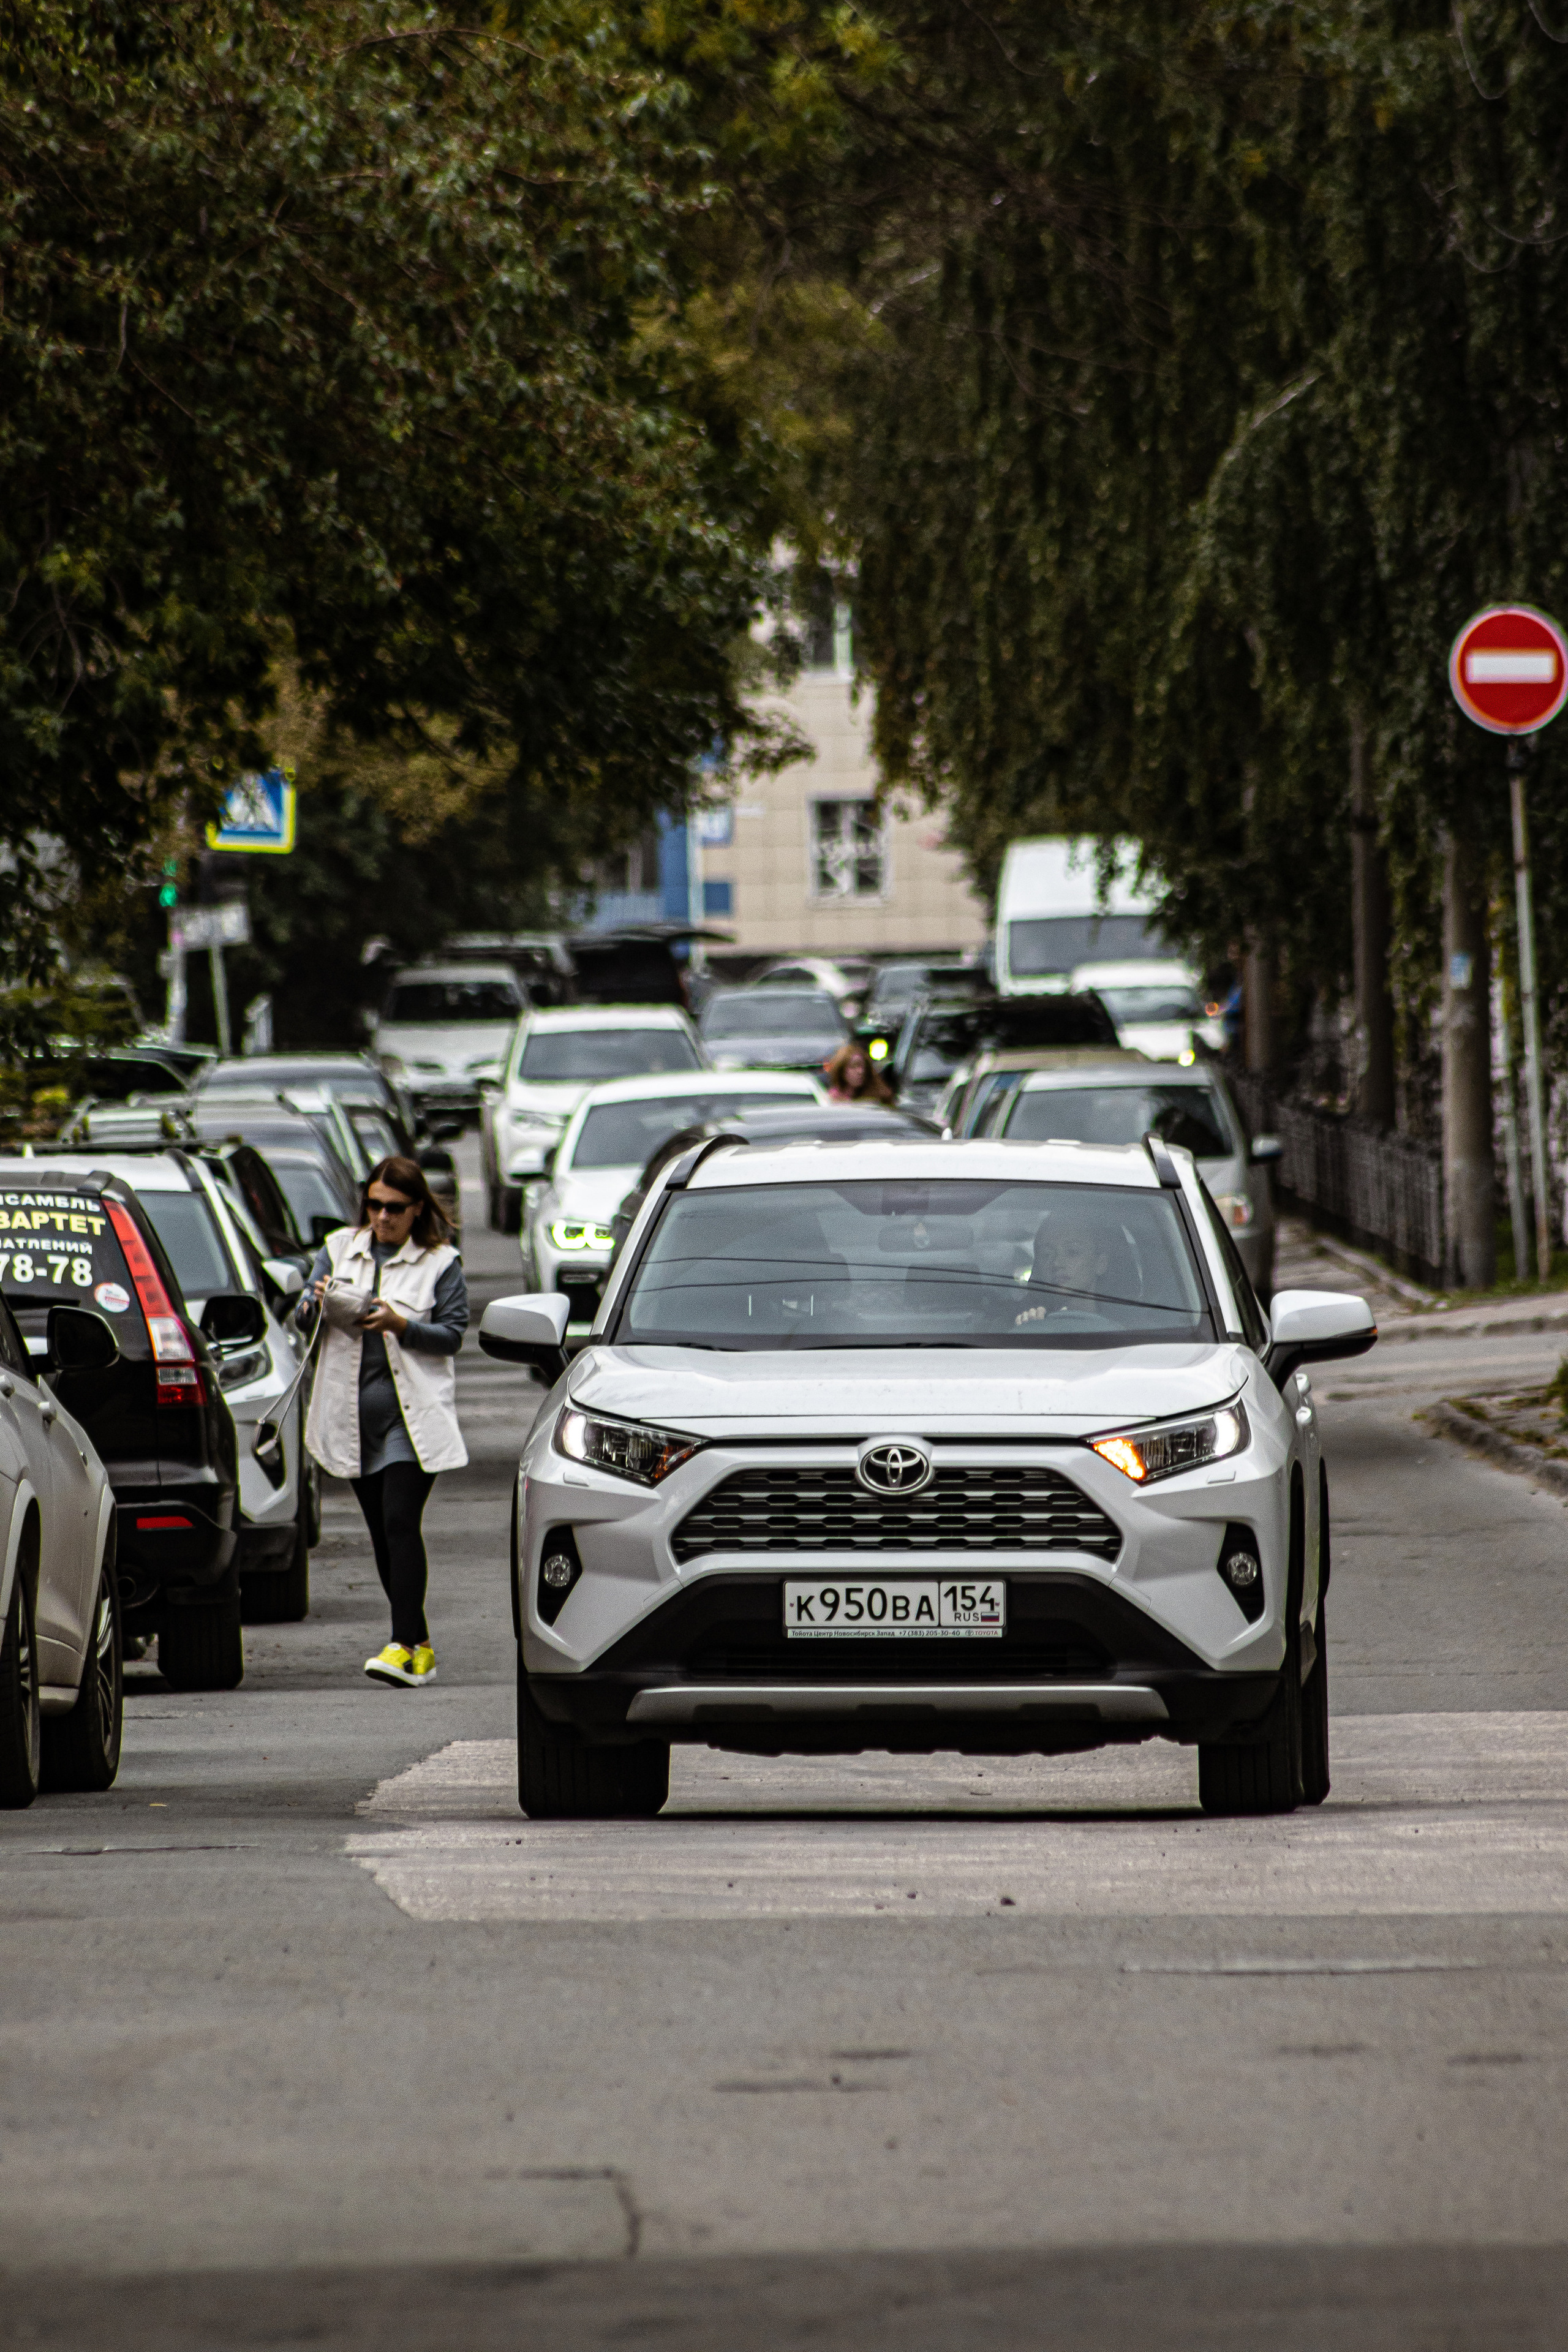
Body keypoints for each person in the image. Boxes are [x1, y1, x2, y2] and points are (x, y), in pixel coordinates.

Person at [298, 1155, 469, 1687]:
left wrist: (400, 1325)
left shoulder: (440, 1264)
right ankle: (418, 1647)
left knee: (400, 1520)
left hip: (410, 1419)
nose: (382, 1217)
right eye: (374, 1205)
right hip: (351, 1418)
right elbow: (300, 1316)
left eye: (395, 1208)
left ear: (417, 1209)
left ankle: (401, 1645)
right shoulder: (337, 1251)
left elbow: (453, 1335)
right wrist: (315, 1302)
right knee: (381, 1533)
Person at [823, 1041, 894, 1105]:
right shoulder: (832, 1099)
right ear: (841, 1070)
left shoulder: (879, 1096)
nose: (861, 1071)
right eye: (854, 1066)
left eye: (863, 1066)